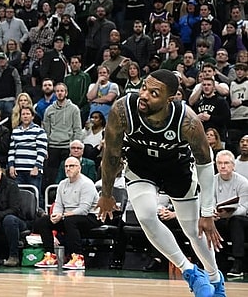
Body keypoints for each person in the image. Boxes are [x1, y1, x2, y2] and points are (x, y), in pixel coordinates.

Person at [98, 69, 226, 297]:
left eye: (154, 93)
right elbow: (111, 154)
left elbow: (206, 164)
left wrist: (207, 212)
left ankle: (215, 278)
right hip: (141, 167)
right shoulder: (122, 110)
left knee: (193, 231)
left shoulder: (187, 120)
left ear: (171, 99)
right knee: (146, 215)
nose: (144, 95)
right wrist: (106, 193)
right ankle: (190, 272)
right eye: (144, 88)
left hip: (177, 169)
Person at [33, 157, 101, 270]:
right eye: (66, 166)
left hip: (91, 217)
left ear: (79, 168)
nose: (68, 169)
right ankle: (50, 256)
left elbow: (84, 209)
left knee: (70, 221)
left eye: (72, 166)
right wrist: (55, 215)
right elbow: (58, 204)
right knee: (44, 221)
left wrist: (62, 216)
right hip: (68, 217)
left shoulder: (87, 184)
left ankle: (78, 257)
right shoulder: (62, 184)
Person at [213, 150, 248, 278]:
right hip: (221, 217)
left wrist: (228, 214)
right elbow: (209, 202)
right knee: (210, 221)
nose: (223, 166)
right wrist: (213, 213)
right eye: (220, 163)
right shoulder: (212, 181)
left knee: (236, 221)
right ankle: (217, 261)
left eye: (226, 163)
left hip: (241, 219)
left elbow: (244, 208)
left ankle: (238, 263)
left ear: (233, 165)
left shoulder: (243, 182)